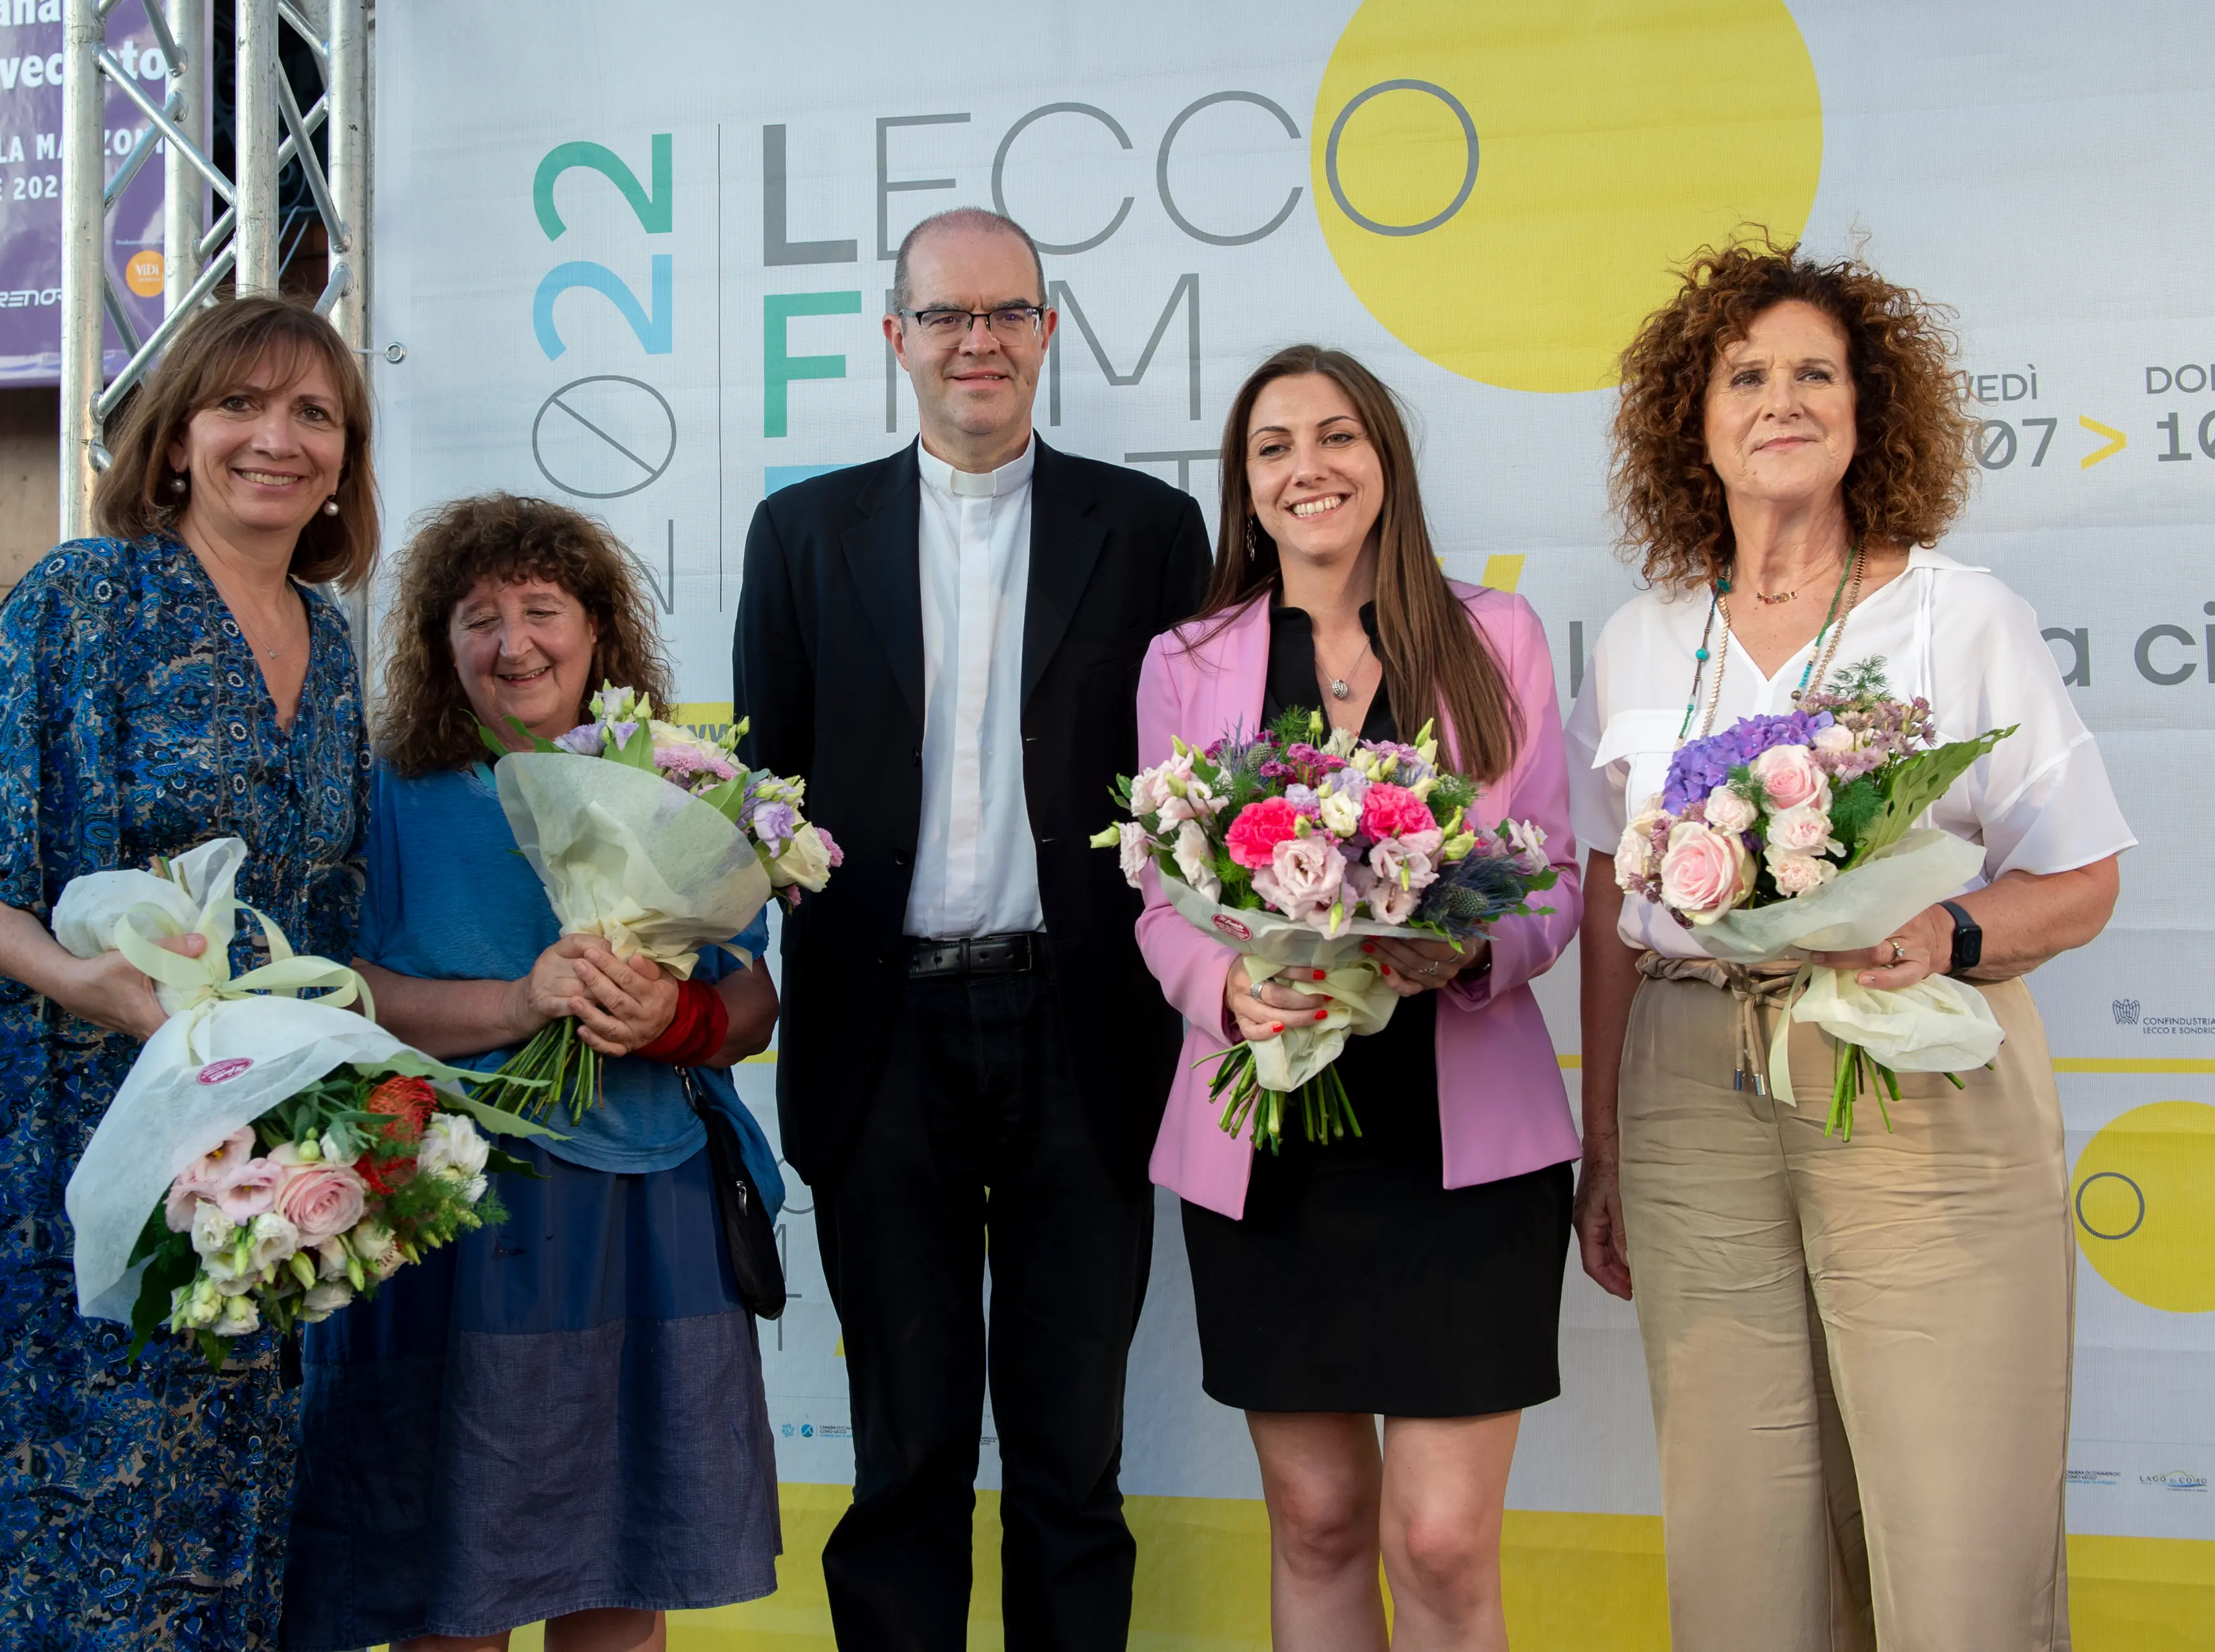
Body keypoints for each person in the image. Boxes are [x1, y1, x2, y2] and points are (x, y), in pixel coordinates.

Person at [1568, 243, 2130, 1651]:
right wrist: (1606, 1146)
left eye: (1815, 371)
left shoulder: (1959, 615)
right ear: (1690, 423)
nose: (1782, 398)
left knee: (1956, 1529)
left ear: (1869, 408)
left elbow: (2085, 879)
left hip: (1915, 1075)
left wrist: (1949, 930)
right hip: (1691, 1083)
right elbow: (1603, 898)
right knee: (1738, 1528)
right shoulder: (1643, 641)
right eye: (1746, 375)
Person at [0, 296, 376, 1649]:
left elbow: (319, 921)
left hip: (225, 1135)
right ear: (176, 438)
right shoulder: (88, 592)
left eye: (315, 414)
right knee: (29, 1494)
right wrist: (85, 989)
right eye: (240, 404)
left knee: (203, 1454)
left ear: (346, 462)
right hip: (35, 1127)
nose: (277, 439)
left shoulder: (335, 638)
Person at [731, 206, 1209, 1649]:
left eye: (1007, 312)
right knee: (906, 1463)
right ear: (896, 338)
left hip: (1087, 1037)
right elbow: (769, 793)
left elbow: (1196, 787)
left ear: (1049, 333)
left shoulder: (1148, 529)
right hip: (882, 1042)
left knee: (1075, 1469)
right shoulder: (804, 532)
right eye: (946, 316)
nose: (978, 340)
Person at [280, 493, 784, 1652]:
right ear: (437, 645)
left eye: (542, 608)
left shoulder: (676, 784)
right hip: (455, 1217)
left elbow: (751, 1003)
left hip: (644, 1208)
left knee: (626, 1569)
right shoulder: (388, 797)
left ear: (598, 629)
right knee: (452, 1587)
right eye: (479, 617)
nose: (515, 643)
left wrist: (674, 1015)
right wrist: (519, 1004)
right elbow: (337, 989)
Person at [1132, 345, 1579, 1652]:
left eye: (1336, 437)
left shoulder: (1497, 634)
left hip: (1463, 1145)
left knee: (1441, 1539)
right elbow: (1156, 891)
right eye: (1274, 446)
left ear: (1384, 460)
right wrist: (1223, 988)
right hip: (1271, 1140)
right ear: (1246, 485)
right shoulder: (1187, 657)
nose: (1307, 466)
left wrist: (1476, 951)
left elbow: (1551, 873)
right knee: (1318, 1515)